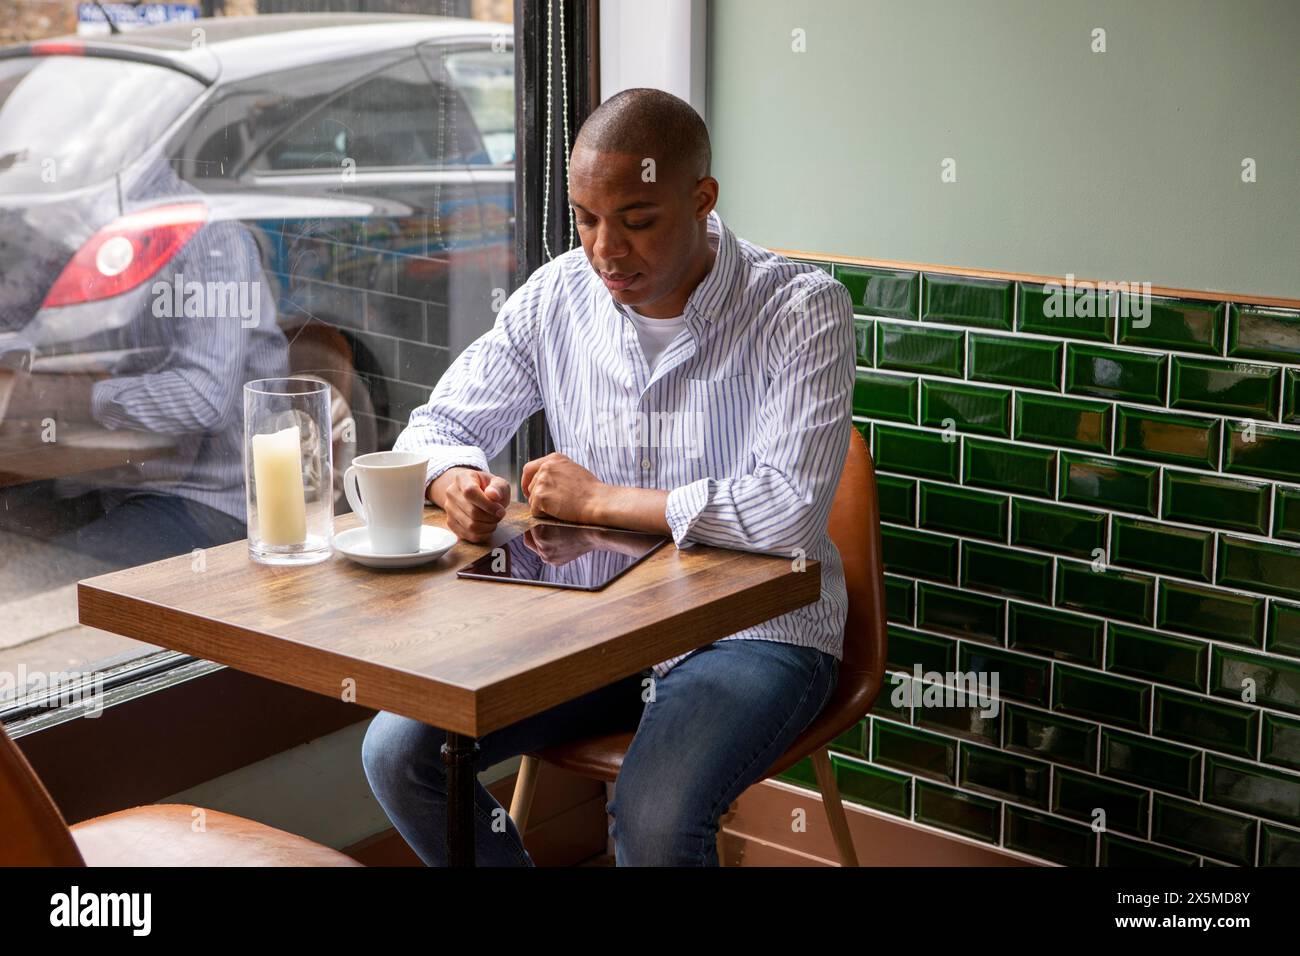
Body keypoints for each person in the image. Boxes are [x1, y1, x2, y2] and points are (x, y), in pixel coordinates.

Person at [361, 88, 855, 866]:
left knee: (656, 823)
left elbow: (788, 513)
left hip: (755, 633)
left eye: (637, 220)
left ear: (700, 199)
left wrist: (600, 501)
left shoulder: (801, 309)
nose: (605, 251)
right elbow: (437, 427)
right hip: (593, 628)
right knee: (399, 750)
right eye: (586, 218)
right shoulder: (557, 296)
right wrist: (452, 480)